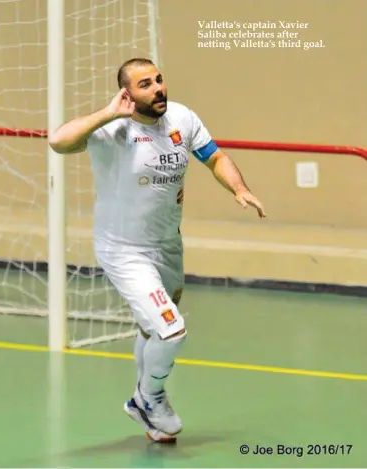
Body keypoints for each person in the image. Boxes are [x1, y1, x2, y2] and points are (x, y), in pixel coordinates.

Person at [49, 58, 267, 443]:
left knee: (153, 329)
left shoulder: (182, 118)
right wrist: (107, 113)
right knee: (171, 330)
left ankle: (148, 414)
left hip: (167, 244)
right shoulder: (114, 128)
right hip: (124, 250)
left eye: (159, 80)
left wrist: (239, 188)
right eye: (145, 84)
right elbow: (59, 140)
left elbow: (215, 157)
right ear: (128, 94)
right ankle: (147, 399)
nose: (158, 88)